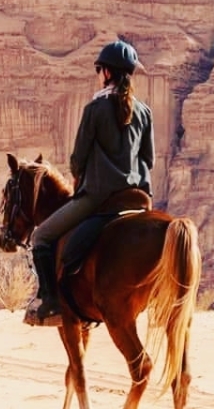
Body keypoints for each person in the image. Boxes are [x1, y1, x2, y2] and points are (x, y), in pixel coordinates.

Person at [25, 40, 155, 326]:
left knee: (42, 237)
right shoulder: (145, 112)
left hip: (98, 197)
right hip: (138, 198)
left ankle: (50, 302)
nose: (98, 73)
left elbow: (78, 157)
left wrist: (78, 178)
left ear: (107, 72)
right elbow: (149, 158)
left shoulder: (95, 109)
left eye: (99, 69)